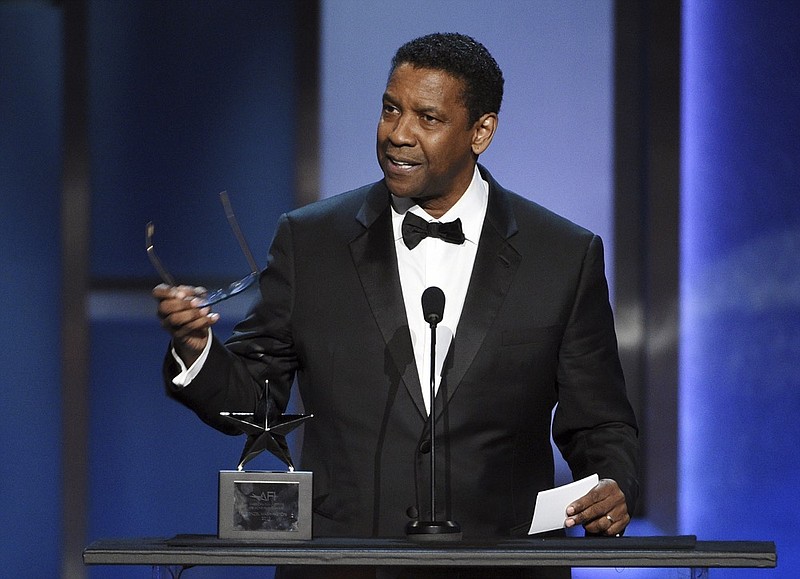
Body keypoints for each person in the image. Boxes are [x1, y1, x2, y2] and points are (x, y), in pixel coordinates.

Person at [154, 33, 639, 579]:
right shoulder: (311, 242)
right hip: (346, 566)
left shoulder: (563, 255)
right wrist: (198, 349)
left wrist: (612, 484)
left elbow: (600, 423)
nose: (397, 135)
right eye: (390, 109)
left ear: (481, 131)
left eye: (427, 118)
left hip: (502, 567)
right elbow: (255, 397)